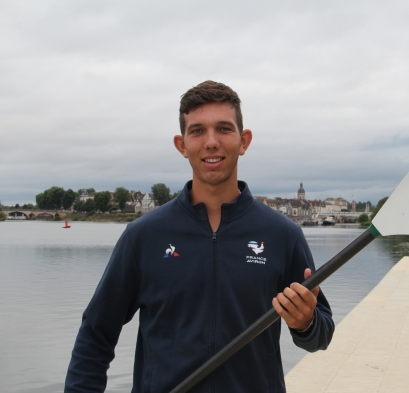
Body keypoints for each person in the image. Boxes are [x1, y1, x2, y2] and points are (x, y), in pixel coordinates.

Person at [65, 81, 335, 392]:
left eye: (223, 129)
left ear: (243, 141)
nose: (211, 142)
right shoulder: (144, 236)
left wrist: (306, 323)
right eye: (197, 131)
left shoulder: (282, 235)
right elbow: (95, 336)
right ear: (181, 145)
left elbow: (322, 334)